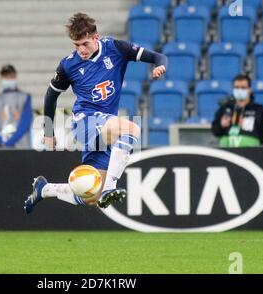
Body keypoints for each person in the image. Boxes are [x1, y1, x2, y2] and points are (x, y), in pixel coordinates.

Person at [24, 13, 167, 213]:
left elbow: (158, 56)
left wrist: (161, 66)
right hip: (85, 122)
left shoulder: (116, 49)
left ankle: (45, 189)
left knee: (92, 196)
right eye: (76, 45)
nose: (81, 50)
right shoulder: (68, 65)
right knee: (131, 128)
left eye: (84, 44)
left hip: (106, 128)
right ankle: (111, 187)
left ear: (95, 37)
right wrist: (49, 133)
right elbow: (51, 96)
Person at [212, 74, 263, 147]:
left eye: (243, 88)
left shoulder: (258, 109)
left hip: (251, 153)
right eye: (236, 88)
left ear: (249, 89)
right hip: (227, 153)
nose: (239, 90)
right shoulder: (224, 108)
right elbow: (215, 132)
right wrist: (221, 125)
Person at [0, 64, 32, 148]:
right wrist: (1, 140)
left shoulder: (25, 97)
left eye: (10, 76)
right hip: (0, 146)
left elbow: (26, 123)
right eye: (5, 76)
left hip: (21, 146)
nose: (8, 79)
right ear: (1, 78)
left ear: (15, 77)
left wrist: (10, 142)